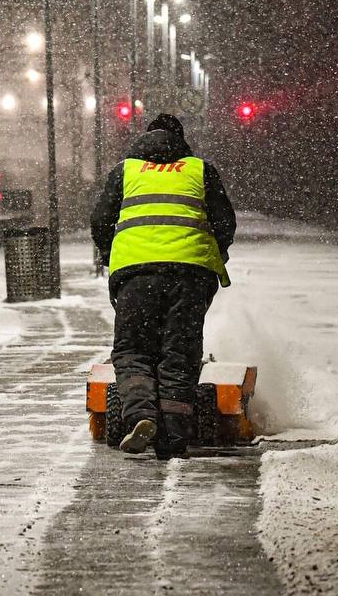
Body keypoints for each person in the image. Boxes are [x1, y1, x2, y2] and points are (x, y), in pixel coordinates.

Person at [89, 113, 236, 460]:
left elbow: (100, 221)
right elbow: (224, 222)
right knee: (180, 353)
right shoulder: (199, 170)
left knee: (133, 350)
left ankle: (140, 415)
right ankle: (173, 434)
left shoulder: (125, 171)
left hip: (135, 274)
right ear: (182, 142)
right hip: (190, 274)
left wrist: (113, 253)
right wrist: (213, 253)